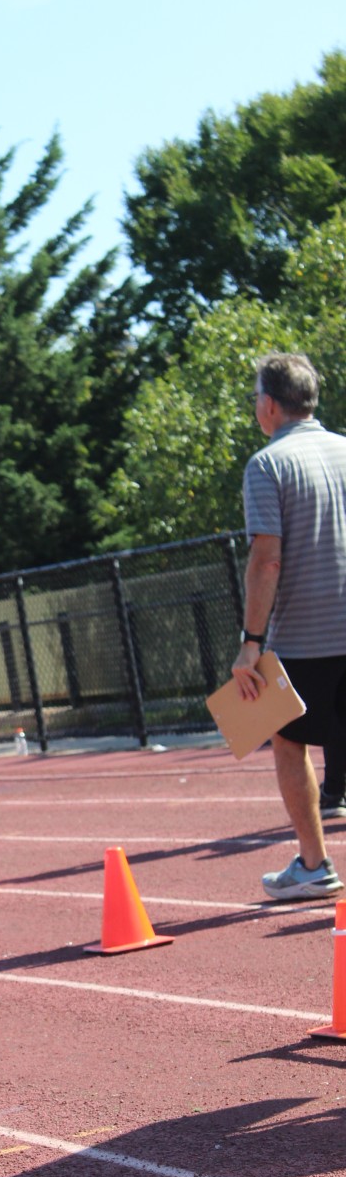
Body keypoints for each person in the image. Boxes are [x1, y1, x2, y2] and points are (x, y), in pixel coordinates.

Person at [231, 353, 346, 899]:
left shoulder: (267, 465)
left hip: (307, 634)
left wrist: (251, 643)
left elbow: (267, 559)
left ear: (270, 404)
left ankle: (314, 864)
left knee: (288, 739)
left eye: (257, 396)